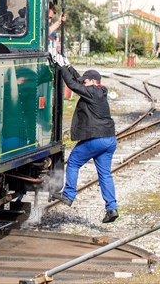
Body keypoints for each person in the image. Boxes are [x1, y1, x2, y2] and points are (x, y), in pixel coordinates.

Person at [51, 54, 119, 224]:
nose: (84, 84)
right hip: (109, 139)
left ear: (93, 81)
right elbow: (78, 82)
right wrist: (68, 66)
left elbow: (73, 85)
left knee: (73, 162)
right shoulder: (98, 91)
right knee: (105, 174)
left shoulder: (93, 92)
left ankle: (68, 195)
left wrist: (60, 68)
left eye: (86, 81)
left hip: (96, 138)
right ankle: (111, 208)